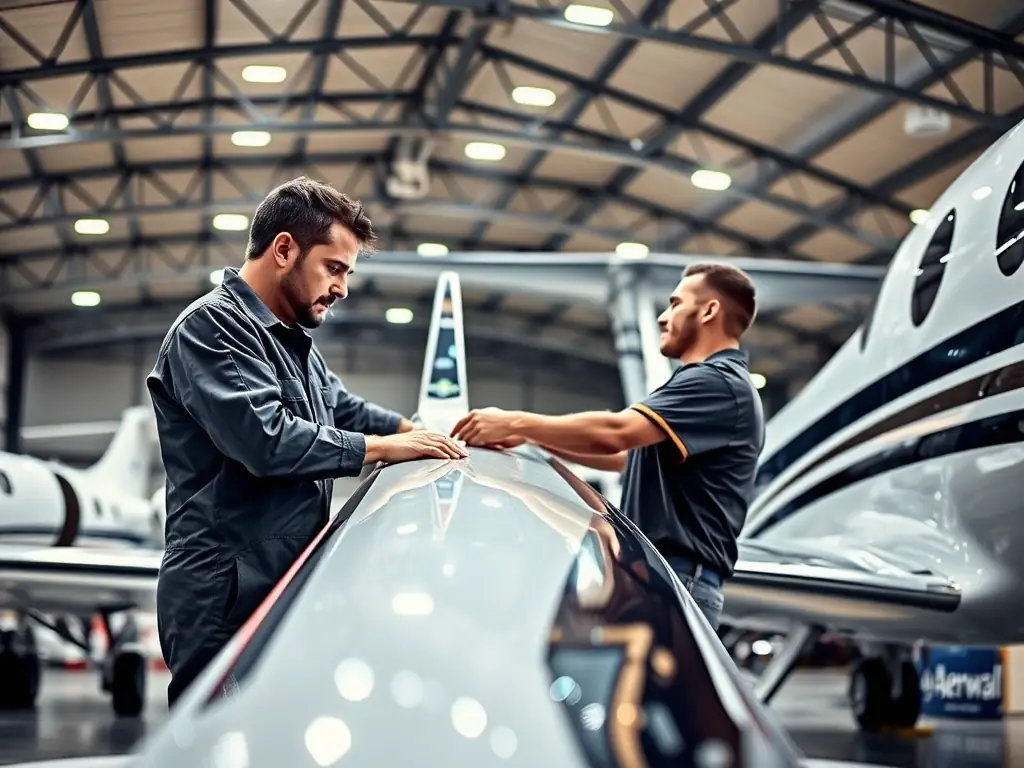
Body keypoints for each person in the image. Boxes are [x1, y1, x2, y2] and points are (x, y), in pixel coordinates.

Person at [146, 176, 466, 705]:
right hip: (222, 587)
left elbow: (340, 406)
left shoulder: (290, 339)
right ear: (285, 250)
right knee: (217, 737)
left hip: (276, 575)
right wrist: (383, 450)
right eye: (334, 268)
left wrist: (417, 431)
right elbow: (266, 441)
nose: (342, 287)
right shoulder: (212, 329)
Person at [451, 262, 764, 631]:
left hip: (678, 576)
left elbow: (615, 432)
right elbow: (625, 458)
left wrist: (516, 421)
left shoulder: (715, 382)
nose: (664, 317)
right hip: (662, 573)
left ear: (709, 310)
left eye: (675, 303)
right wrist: (533, 436)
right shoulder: (708, 384)